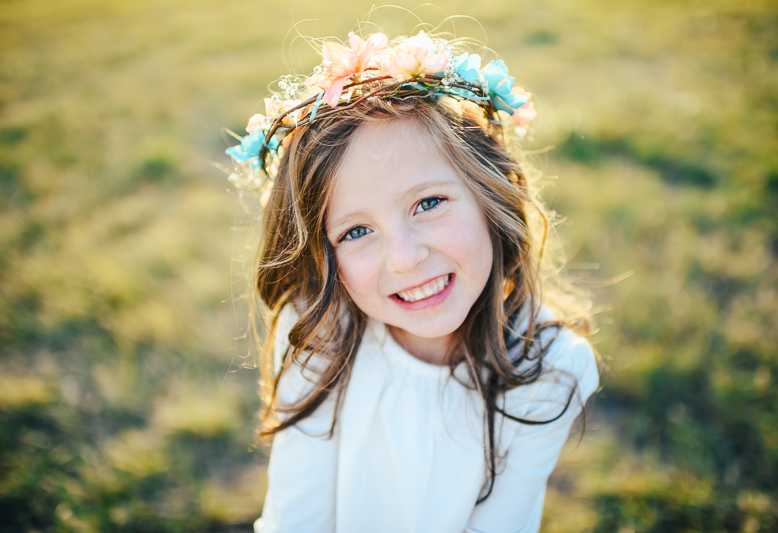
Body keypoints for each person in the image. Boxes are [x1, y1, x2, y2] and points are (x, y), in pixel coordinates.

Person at [224, 28, 600, 533]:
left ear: (489, 195)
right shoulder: (318, 335)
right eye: (356, 231)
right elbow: (297, 520)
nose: (404, 259)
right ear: (322, 254)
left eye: (429, 203)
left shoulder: (553, 369)